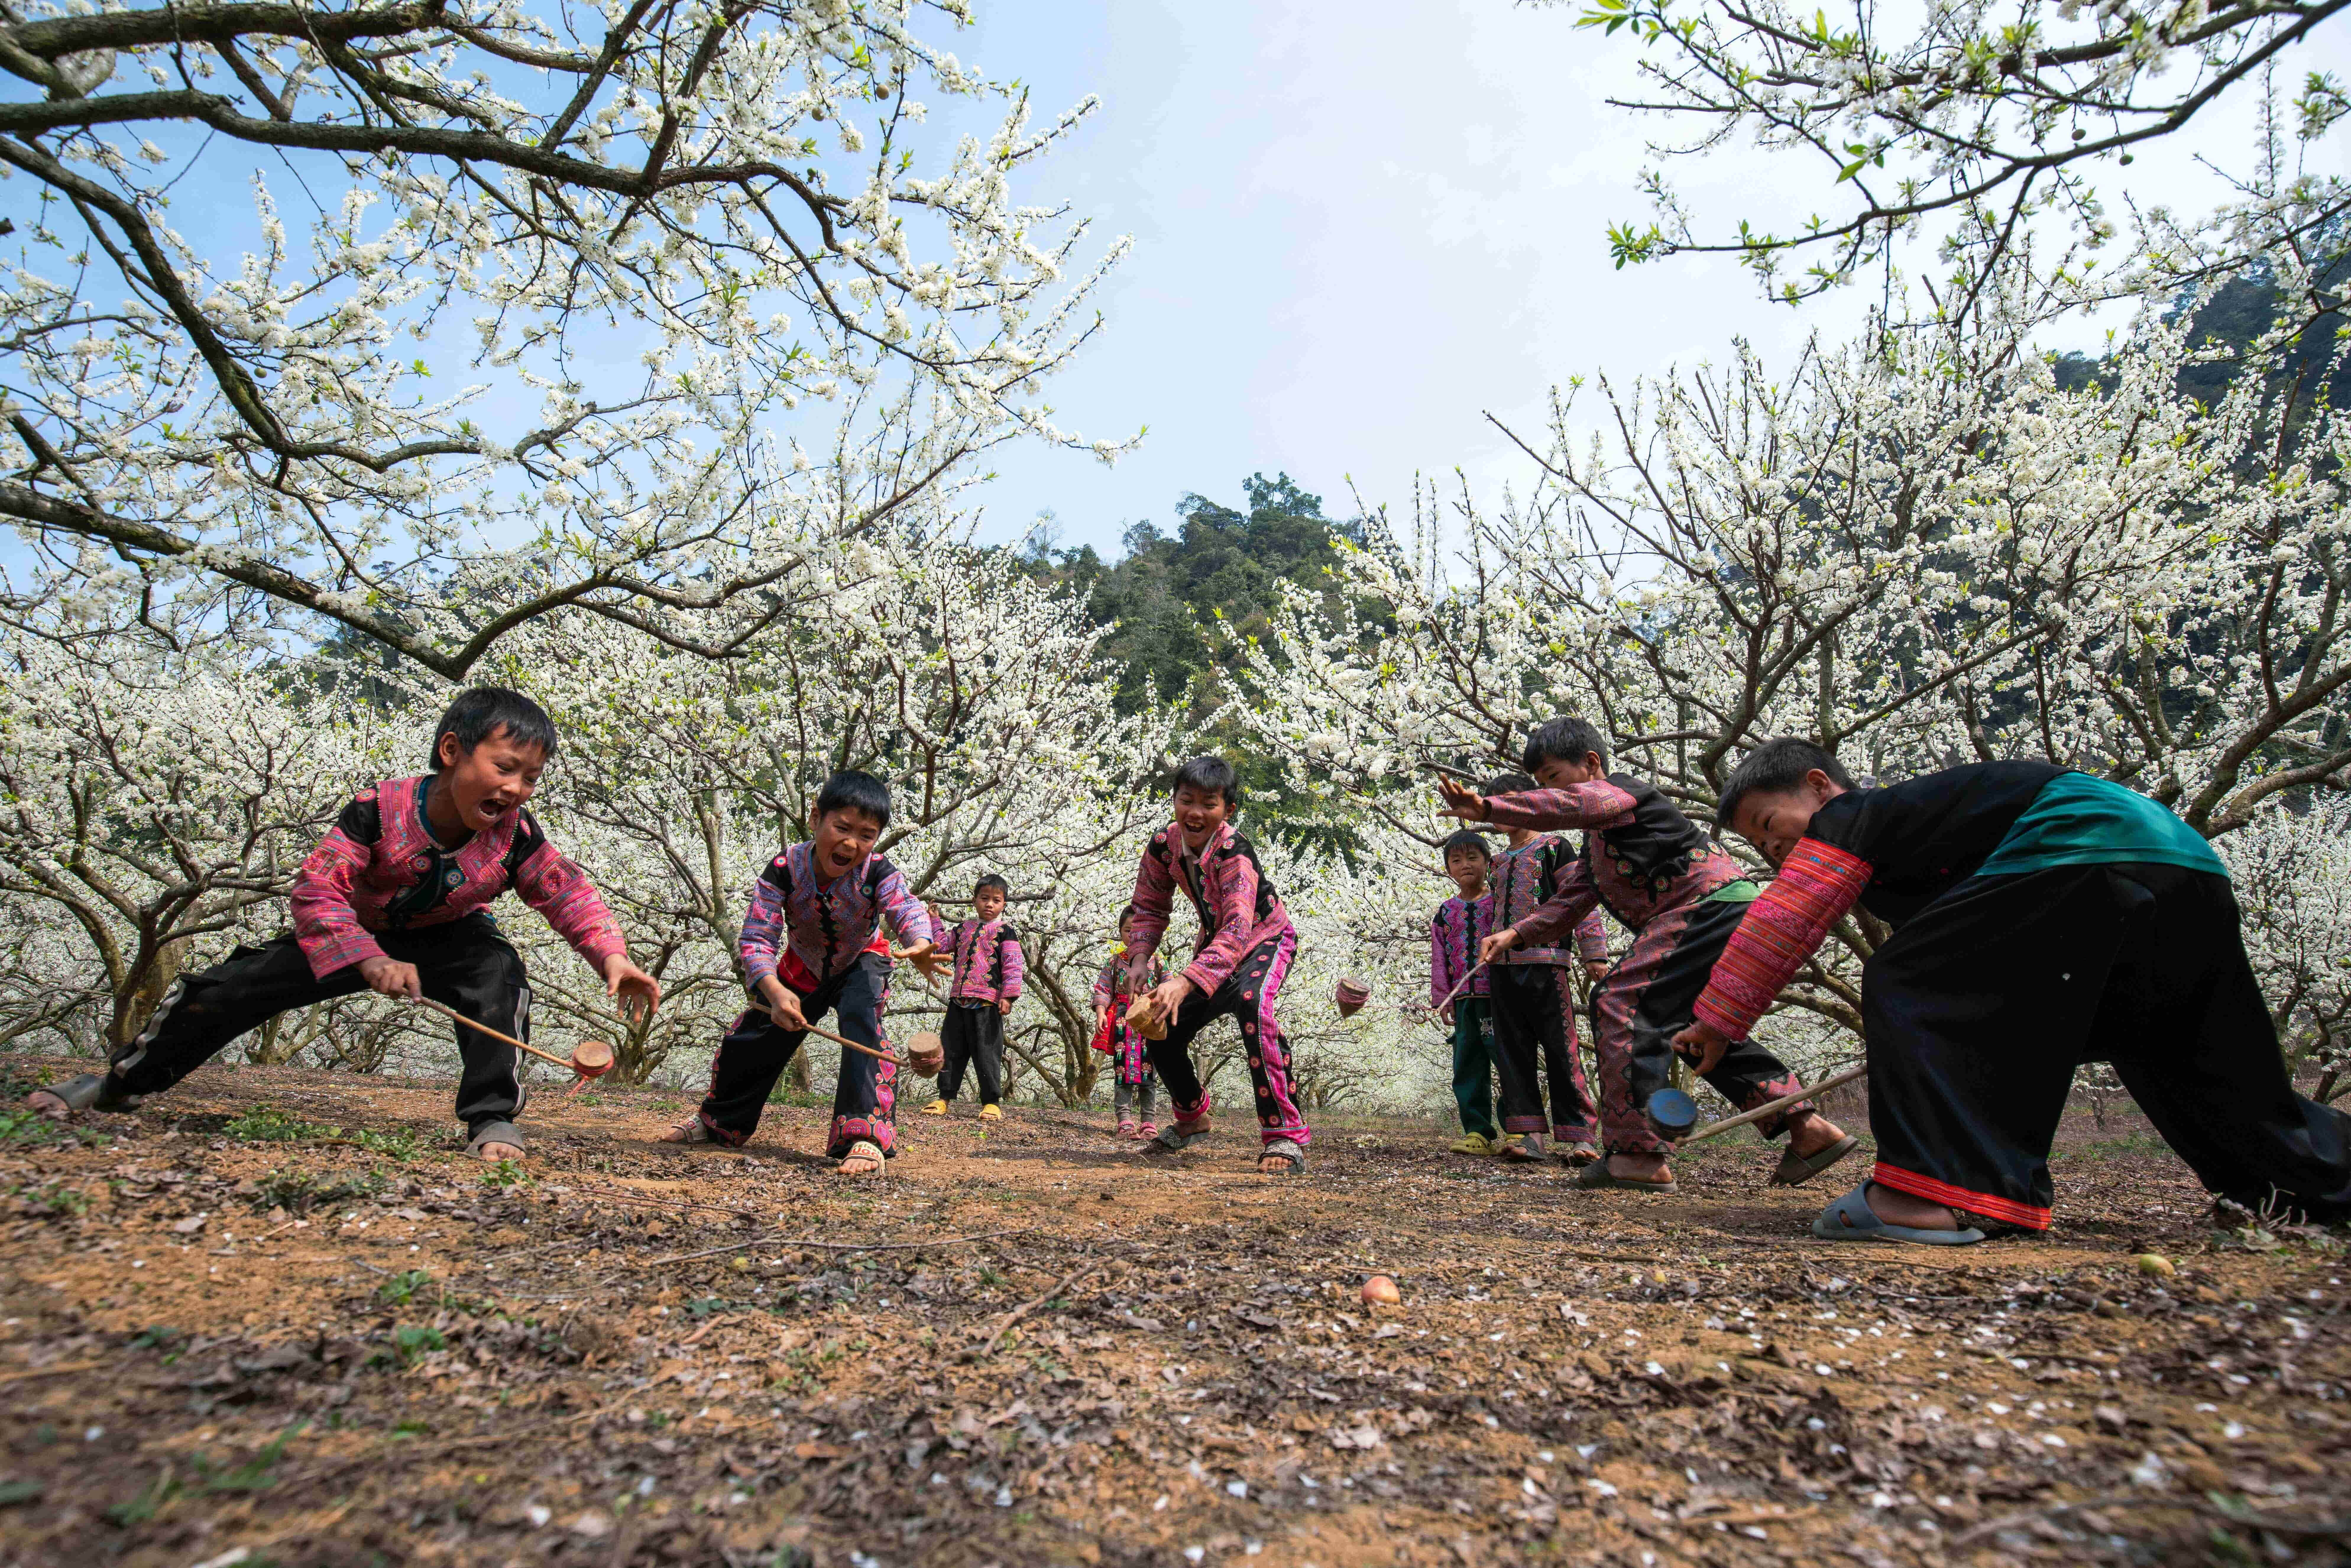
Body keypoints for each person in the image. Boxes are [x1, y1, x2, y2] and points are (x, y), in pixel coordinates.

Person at [1672, 738, 2351, 1244]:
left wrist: (1719, 1021)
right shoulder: (1928, 843)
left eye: (1770, 826)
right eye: (1760, 846)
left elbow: (1786, 918)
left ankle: (1941, 1191)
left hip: (2082, 847)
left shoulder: (1853, 815)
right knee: (2182, 1050)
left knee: (1910, 979)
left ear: (1820, 788)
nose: (1774, 852)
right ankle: (2310, 1186)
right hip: (2183, 864)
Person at [25, 688, 661, 1162]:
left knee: (499, 976)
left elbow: (564, 890)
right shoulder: (376, 810)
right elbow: (318, 888)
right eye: (505, 767)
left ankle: (492, 1118)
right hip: (348, 931)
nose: (517, 788)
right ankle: (121, 1082)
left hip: (452, 935)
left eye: (531, 778)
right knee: (229, 989)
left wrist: (612, 956)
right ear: (452, 752)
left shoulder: (515, 834)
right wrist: (366, 955)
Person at [1442, 718, 1855, 1194]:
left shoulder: (1623, 793)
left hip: (1706, 905)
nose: (1549, 793)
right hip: (1719, 911)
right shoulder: (1598, 842)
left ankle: (1637, 1153)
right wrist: (1515, 933)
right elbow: (1571, 900)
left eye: (1553, 778)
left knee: (1619, 1001)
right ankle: (1808, 1128)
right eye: (1540, 785)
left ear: (1592, 764)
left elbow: (1579, 803)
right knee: (1692, 1032)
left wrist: (1492, 806)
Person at [665, 770, 946, 1174]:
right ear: (816, 819)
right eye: (842, 828)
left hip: (863, 959)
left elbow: (904, 906)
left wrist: (919, 941)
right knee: (757, 1033)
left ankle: (865, 1135)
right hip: (802, 964)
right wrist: (774, 991)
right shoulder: (783, 869)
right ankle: (718, 1122)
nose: (851, 844)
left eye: (866, 835)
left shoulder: (878, 871)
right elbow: (757, 937)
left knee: (862, 1023)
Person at [1127, 756, 1312, 1175]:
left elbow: (1237, 928)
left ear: (1228, 810)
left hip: (1266, 939)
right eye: (1186, 800)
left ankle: (1283, 1132)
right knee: (1161, 1018)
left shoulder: (1234, 852)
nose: (1195, 813)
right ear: (1174, 800)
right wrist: (1140, 958)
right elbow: (1150, 906)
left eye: (1208, 804)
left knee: (1252, 1004)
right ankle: (1192, 1117)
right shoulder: (1163, 846)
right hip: (1216, 949)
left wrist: (1185, 982)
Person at [1478, 773, 1610, 1165]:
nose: (1503, 811)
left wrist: (1594, 952)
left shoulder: (1556, 848)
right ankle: (1530, 1136)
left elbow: (1579, 900)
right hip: (1502, 970)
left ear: (1531, 802)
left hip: (1547, 965)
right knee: (1512, 1052)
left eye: (1510, 801)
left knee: (1561, 1049)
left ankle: (1581, 1137)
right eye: (1495, 805)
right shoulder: (1497, 862)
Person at [924, 874, 1026, 1121]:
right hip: (958, 1002)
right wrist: (934, 920)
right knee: (950, 1050)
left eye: (996, 900)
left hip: (988, 1004)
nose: (989, 904)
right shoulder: (962, 929)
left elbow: (1013, 965)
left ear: (1003, 904)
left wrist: (1008, 997)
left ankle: (991, 1102)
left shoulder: (1006, 932)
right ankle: (944, 1098)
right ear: (975, 901)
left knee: (987, 1053)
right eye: (984, 899)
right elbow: (940, 946)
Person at [1431, 830, 1503, 1156]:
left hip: (1500, 1000)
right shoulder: (1446, 912)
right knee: (1468, 1064)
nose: (1466, 865)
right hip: (1463, 1003)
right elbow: (1439, 957)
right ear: (1449, 869)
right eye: (1457, 861)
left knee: (1507, 1060)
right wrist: (1442, 998)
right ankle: (1477, 1132)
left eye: (1473, 858)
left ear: (1488, 863)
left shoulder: (1500, 903)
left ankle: (1519, 1130)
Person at [1091, 905, 1163, 1139]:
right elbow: (1103, 989)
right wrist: (1101, 1012)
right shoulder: (1114, 962)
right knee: (1122, 1072)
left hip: (1150, 1021)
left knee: (1150, 1073)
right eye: (1128, 931)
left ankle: (1149, 1121)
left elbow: (1168, 986)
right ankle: (1124, 1121)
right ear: (1120, 931)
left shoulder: (1158, 961)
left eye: (1139, 932)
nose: (1133, 937)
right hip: (1123, 1021)